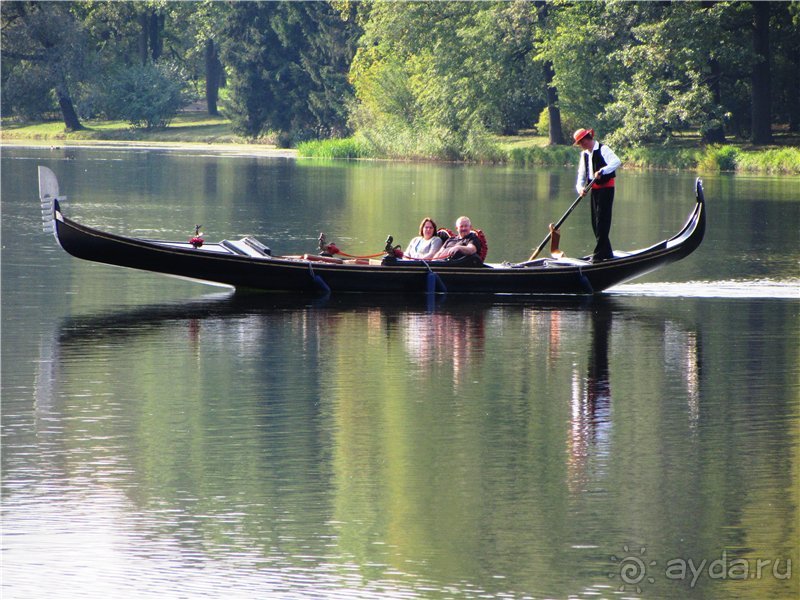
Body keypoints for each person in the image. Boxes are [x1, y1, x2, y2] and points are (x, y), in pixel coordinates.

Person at [574, 128, 622, 262]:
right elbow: (581, 176)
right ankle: (606, 252)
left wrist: (603, 170)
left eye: (580, 142)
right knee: (595, 223)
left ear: (586, 139)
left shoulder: (603, 149)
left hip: (606, 189)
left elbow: (616, 162)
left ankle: (599, 254)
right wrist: (580, 189)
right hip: (593, 190)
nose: (580, 145)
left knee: (602, 221)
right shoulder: (584, 154)